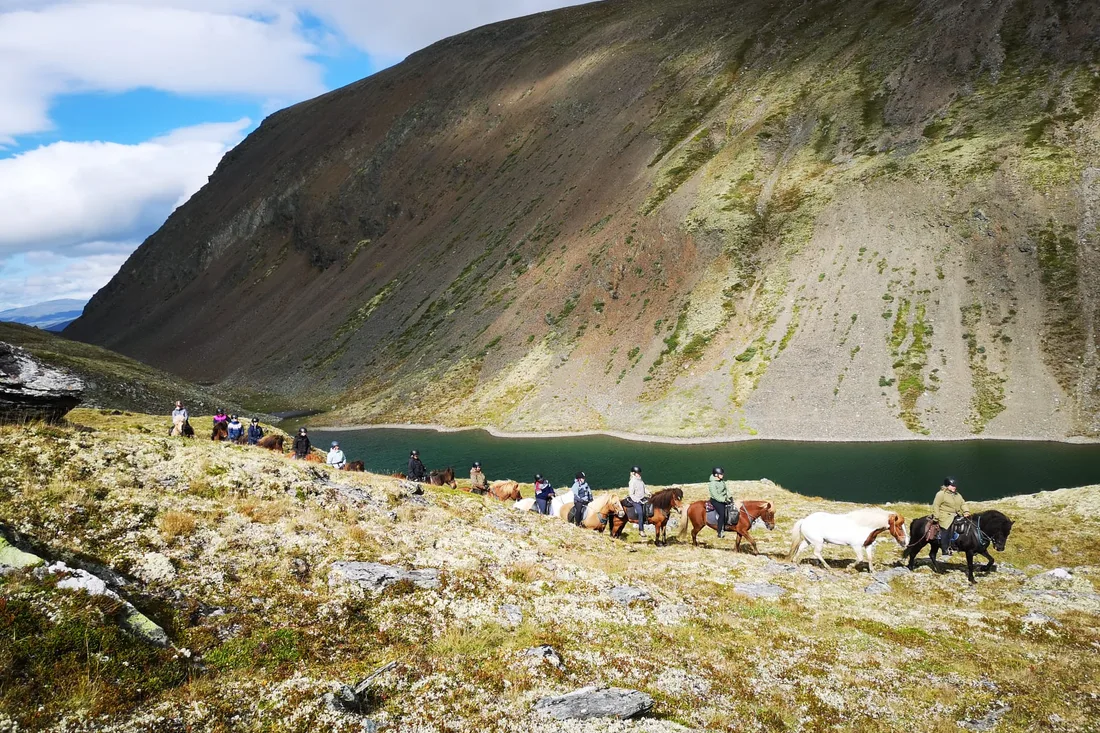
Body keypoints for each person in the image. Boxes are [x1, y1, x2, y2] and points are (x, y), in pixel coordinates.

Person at [932, 477, 969, 556]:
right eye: (952, 485)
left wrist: (966, 511)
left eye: (955, 485)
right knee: (946, 529)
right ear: (947, 486)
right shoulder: (941, 494)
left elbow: (963, 503)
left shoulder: (957, 495)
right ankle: (945, 549)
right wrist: (936, 517)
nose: (954, 487)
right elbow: (936, 505)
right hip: (945, 516)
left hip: (957, 515)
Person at [709, 467, 731, 539]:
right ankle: (719, 531)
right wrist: (724, 500)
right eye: (721, 474)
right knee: (722, 513)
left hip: (724, 499)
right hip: (716, 501)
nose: (722, 475)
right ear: (716, 475)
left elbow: (726, 490)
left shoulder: (721, 481)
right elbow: (715, 495)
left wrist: (730, 497)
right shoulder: (712, 484)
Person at [628, 466, 648, 535]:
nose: (639, 474)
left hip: (642, 498)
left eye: (639, 472)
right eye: (637, 473)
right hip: (635, 500)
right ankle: (641, 530)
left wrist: (649, 493)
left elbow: (644, 488)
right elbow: (631, 494)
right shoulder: (632, 481)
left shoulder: (640, 480)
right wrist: (637, 500)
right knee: (640, 512)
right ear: (634, 473)